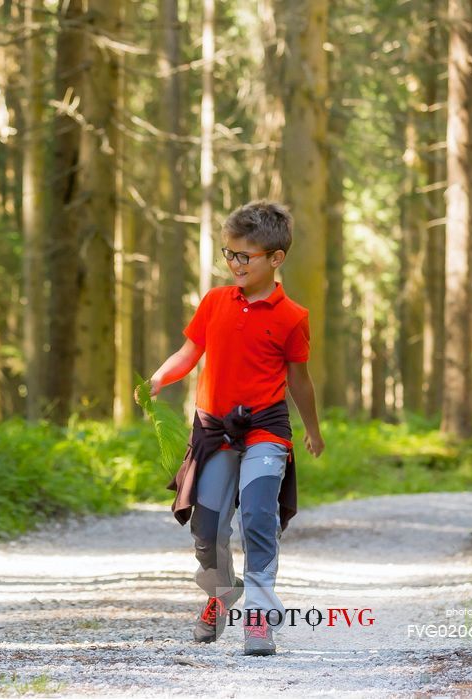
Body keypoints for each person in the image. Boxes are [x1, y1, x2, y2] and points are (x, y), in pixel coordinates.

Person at [136, 201, 325, 656]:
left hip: (265, 428)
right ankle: (220, 594)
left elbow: (299, 378)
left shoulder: (292, 316)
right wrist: (160, 377)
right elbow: (189, 352)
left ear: (275, 258)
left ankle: (259, 616)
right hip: (213, 430)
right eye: (229, 254)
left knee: (259, 517)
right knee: (207, 529)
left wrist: (313, 431)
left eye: (245, 256)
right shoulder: (215, 301)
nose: (235, 264)